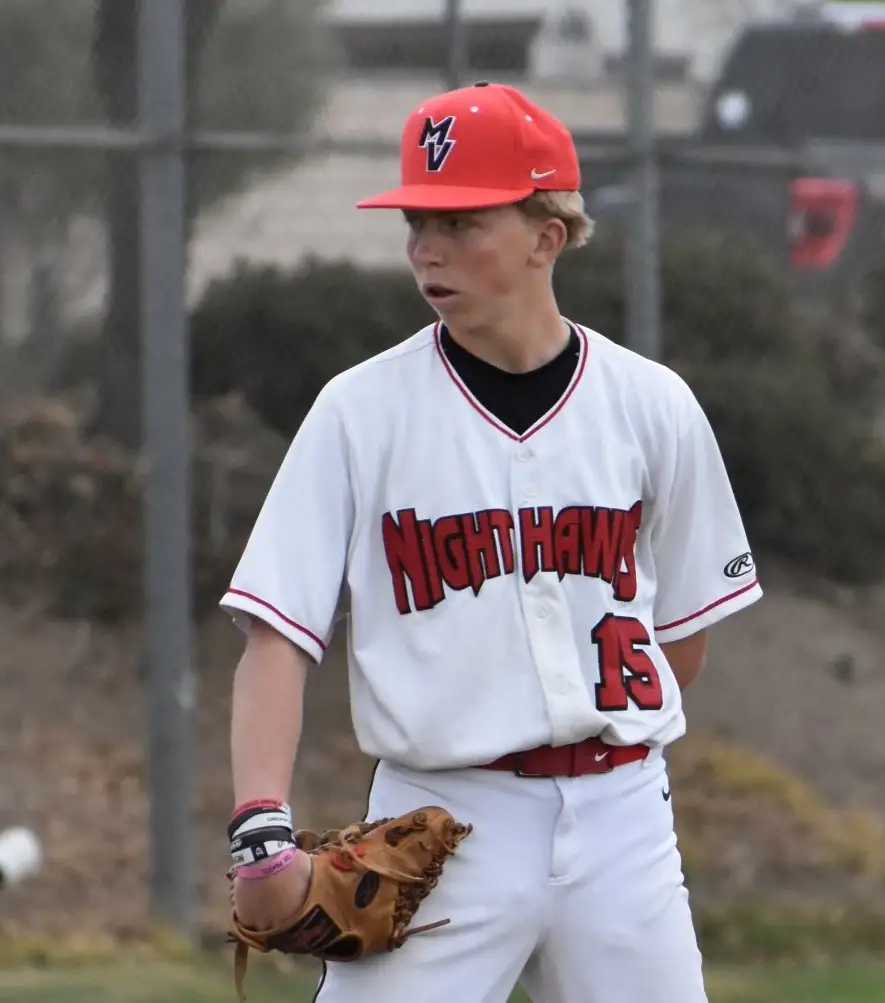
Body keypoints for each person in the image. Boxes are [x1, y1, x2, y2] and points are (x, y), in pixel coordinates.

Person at [222, 81, 762, 1003]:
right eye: (416, 223)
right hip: (441, 822)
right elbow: (279, 631)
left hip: (622, 820)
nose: (426, 249)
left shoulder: (650, 404)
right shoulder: (360, 411)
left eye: (461, 223)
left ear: (546, 236)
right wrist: (261, 829)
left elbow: (683, 635)